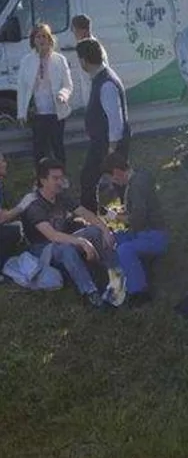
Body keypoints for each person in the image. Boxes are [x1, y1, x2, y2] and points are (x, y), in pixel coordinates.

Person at [20, 158, 125, 307]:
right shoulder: (34, 205)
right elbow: (52, 236)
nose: (59, 182)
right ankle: (90, 292)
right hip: (43, 250)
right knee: (66, 248)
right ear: (43, 180)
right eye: (55, 178)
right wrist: (82, 242)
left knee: (95, 231)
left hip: (62, 239)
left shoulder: (60, 196)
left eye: (61, 178)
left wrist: (105, 229)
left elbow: (85, 213)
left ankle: (116, 278)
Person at [101, 152, 167, 305]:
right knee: (113, 238)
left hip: (154, 235)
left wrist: (115, 217)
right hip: (144, 231)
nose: (113, 182)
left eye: (112, 178)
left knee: (125, 249)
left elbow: (137, 219)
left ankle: (139, 292)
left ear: (117, 172)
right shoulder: (139, 177)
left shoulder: (136, 186)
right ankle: (118, 280)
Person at [76, 38, 130, 213]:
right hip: (102, 142)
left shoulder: (106, 83)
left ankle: (127, 213)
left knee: (107, 179)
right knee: (96, 178)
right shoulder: (101, 77)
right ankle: (98, 214)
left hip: (107, 144)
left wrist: (112, 149)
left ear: (84, 60)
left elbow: (115, 119)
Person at [17, 24, 74, 166]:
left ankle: (61, 177)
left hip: (56, 112)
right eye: (38, 36)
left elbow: (68, 85)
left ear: (50, 39)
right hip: (38, 114)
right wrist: (21, 113)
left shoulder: (59, 59)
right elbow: (22, 89)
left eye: (44, 36)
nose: (41, 40)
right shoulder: (26, 61)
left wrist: (63, 94)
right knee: (39, 150)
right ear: (33, 40)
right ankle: (41, 180)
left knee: (57, 147)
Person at [0, 152, 34, 269]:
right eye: (2, 161)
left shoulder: (3, 187)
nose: (5, 164)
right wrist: (24, 204)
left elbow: (6, 211)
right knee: (14, 231)